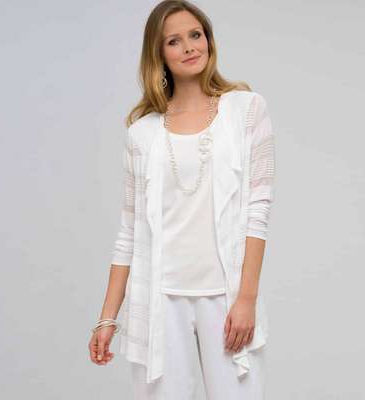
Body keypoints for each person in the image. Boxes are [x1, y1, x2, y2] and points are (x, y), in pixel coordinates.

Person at [88, 1, 276, 399]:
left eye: (195, 35)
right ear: (159, 54)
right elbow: (129, 231)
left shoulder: (246, 109)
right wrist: (107, 319)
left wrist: (246, 299)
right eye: (174, 41)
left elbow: (257, 211)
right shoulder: (142, 133)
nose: (190, 47)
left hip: (226, 295)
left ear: (209, 39)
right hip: (160, 298)